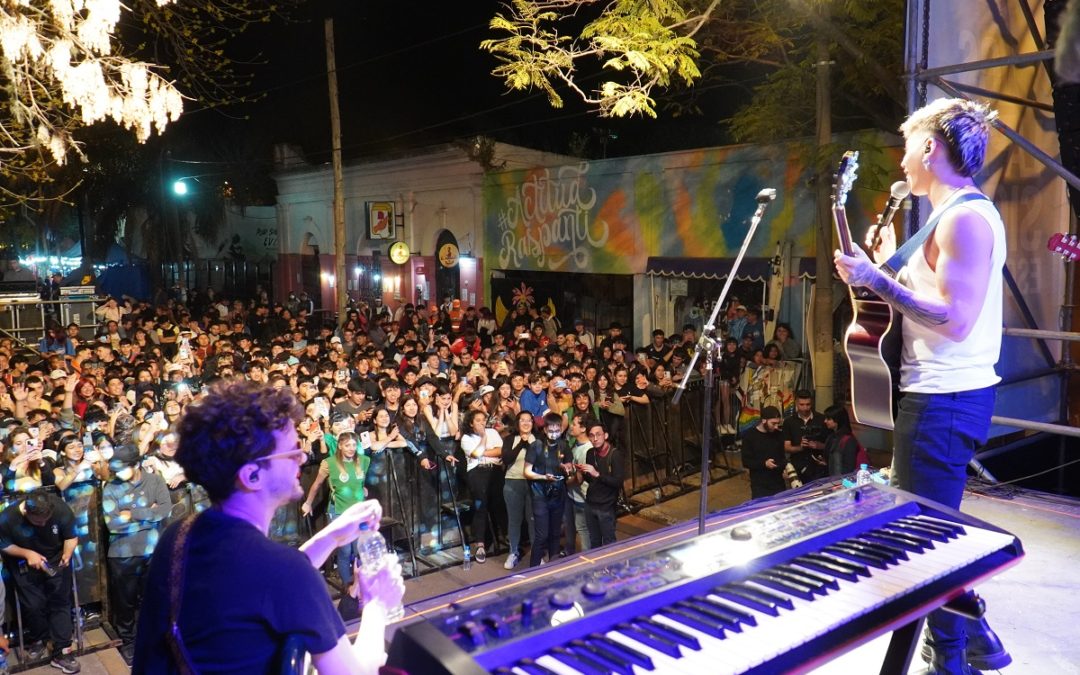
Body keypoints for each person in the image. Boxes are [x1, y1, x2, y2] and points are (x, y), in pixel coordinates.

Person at [834, 97, 1008, 675]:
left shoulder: (965, 218)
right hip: (933, 396)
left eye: (909, 147)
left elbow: (955, 320)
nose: (903, 160)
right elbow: (923, 299)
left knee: (925, 539)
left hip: (945, 398)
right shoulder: (943, 217)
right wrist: (882, 272)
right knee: (926, 529)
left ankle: (952, 654)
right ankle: (972, 637)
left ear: (930, 148)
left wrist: (872, 278)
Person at [133, 380, 404, 674]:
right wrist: (377, 605)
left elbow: (259, 582)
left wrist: (331, 535)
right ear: (251, 476)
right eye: (291, 452)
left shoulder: (179, 535)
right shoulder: (285, 571)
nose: (302, 458)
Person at [101, 444, 171, 665]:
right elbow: (112, 524)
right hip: (123, 554)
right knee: (125, 602)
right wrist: (148, 516)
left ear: (136, 465)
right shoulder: (111, 488)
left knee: (153, 598)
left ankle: (153, 637)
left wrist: (132, 513)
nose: (117, 473)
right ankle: (128, 641)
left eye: (122, 468)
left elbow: (165, 509)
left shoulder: (155, 481)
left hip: (153, 551)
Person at [0, 488, 80, 673]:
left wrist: (67, 554)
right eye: (38, 521)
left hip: (56, 559)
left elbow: (71, 536)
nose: (43, 523)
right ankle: (40, 639)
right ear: (26, 512)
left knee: (60, 603)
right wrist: (27, 554)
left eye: (46, 519)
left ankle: (62, 650)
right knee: (33, 605)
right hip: (23, 563)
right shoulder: (8, 517)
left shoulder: (61, 508)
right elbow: (3, 544)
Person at [579, 418, 622, 548]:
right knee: (595, 542)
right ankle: (598, 569)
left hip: (606, 507)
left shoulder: (615, 455)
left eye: (598, 434)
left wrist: (597, 474)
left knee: (609, 543)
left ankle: (611, 567)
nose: (595, 438)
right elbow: (590, 480)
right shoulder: (590, 453)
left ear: (606, 435)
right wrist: (582, 472)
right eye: (591, 435)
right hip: (591, 503)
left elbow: (618, 482)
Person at [782, 390, 828, 486]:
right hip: (798, 469)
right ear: (796, 403)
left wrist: (819, 446)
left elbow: (831, 444)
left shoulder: (822, 419)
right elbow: (786, 447)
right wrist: (800, 447)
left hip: (819, 468)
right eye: (801, 405)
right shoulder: (789, 422)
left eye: (808, 404)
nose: (805, 408)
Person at [741, 406, 786, 499]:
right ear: (764, 420)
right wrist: (764, 464)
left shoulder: (778, 434)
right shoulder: (750, 436)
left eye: (778, 423)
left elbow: (782, 456)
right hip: (760, 486)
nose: (776, 427)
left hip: (778, 483)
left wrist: (784, 468)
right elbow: (746, 462)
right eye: (773, 423)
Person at [822, 404, 867, 477]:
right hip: (833, 480)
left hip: (842, 482)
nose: (825, 421)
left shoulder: (848, 440)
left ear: (837, 420)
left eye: (828, 419)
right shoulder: (832, 436)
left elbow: (849, 467)